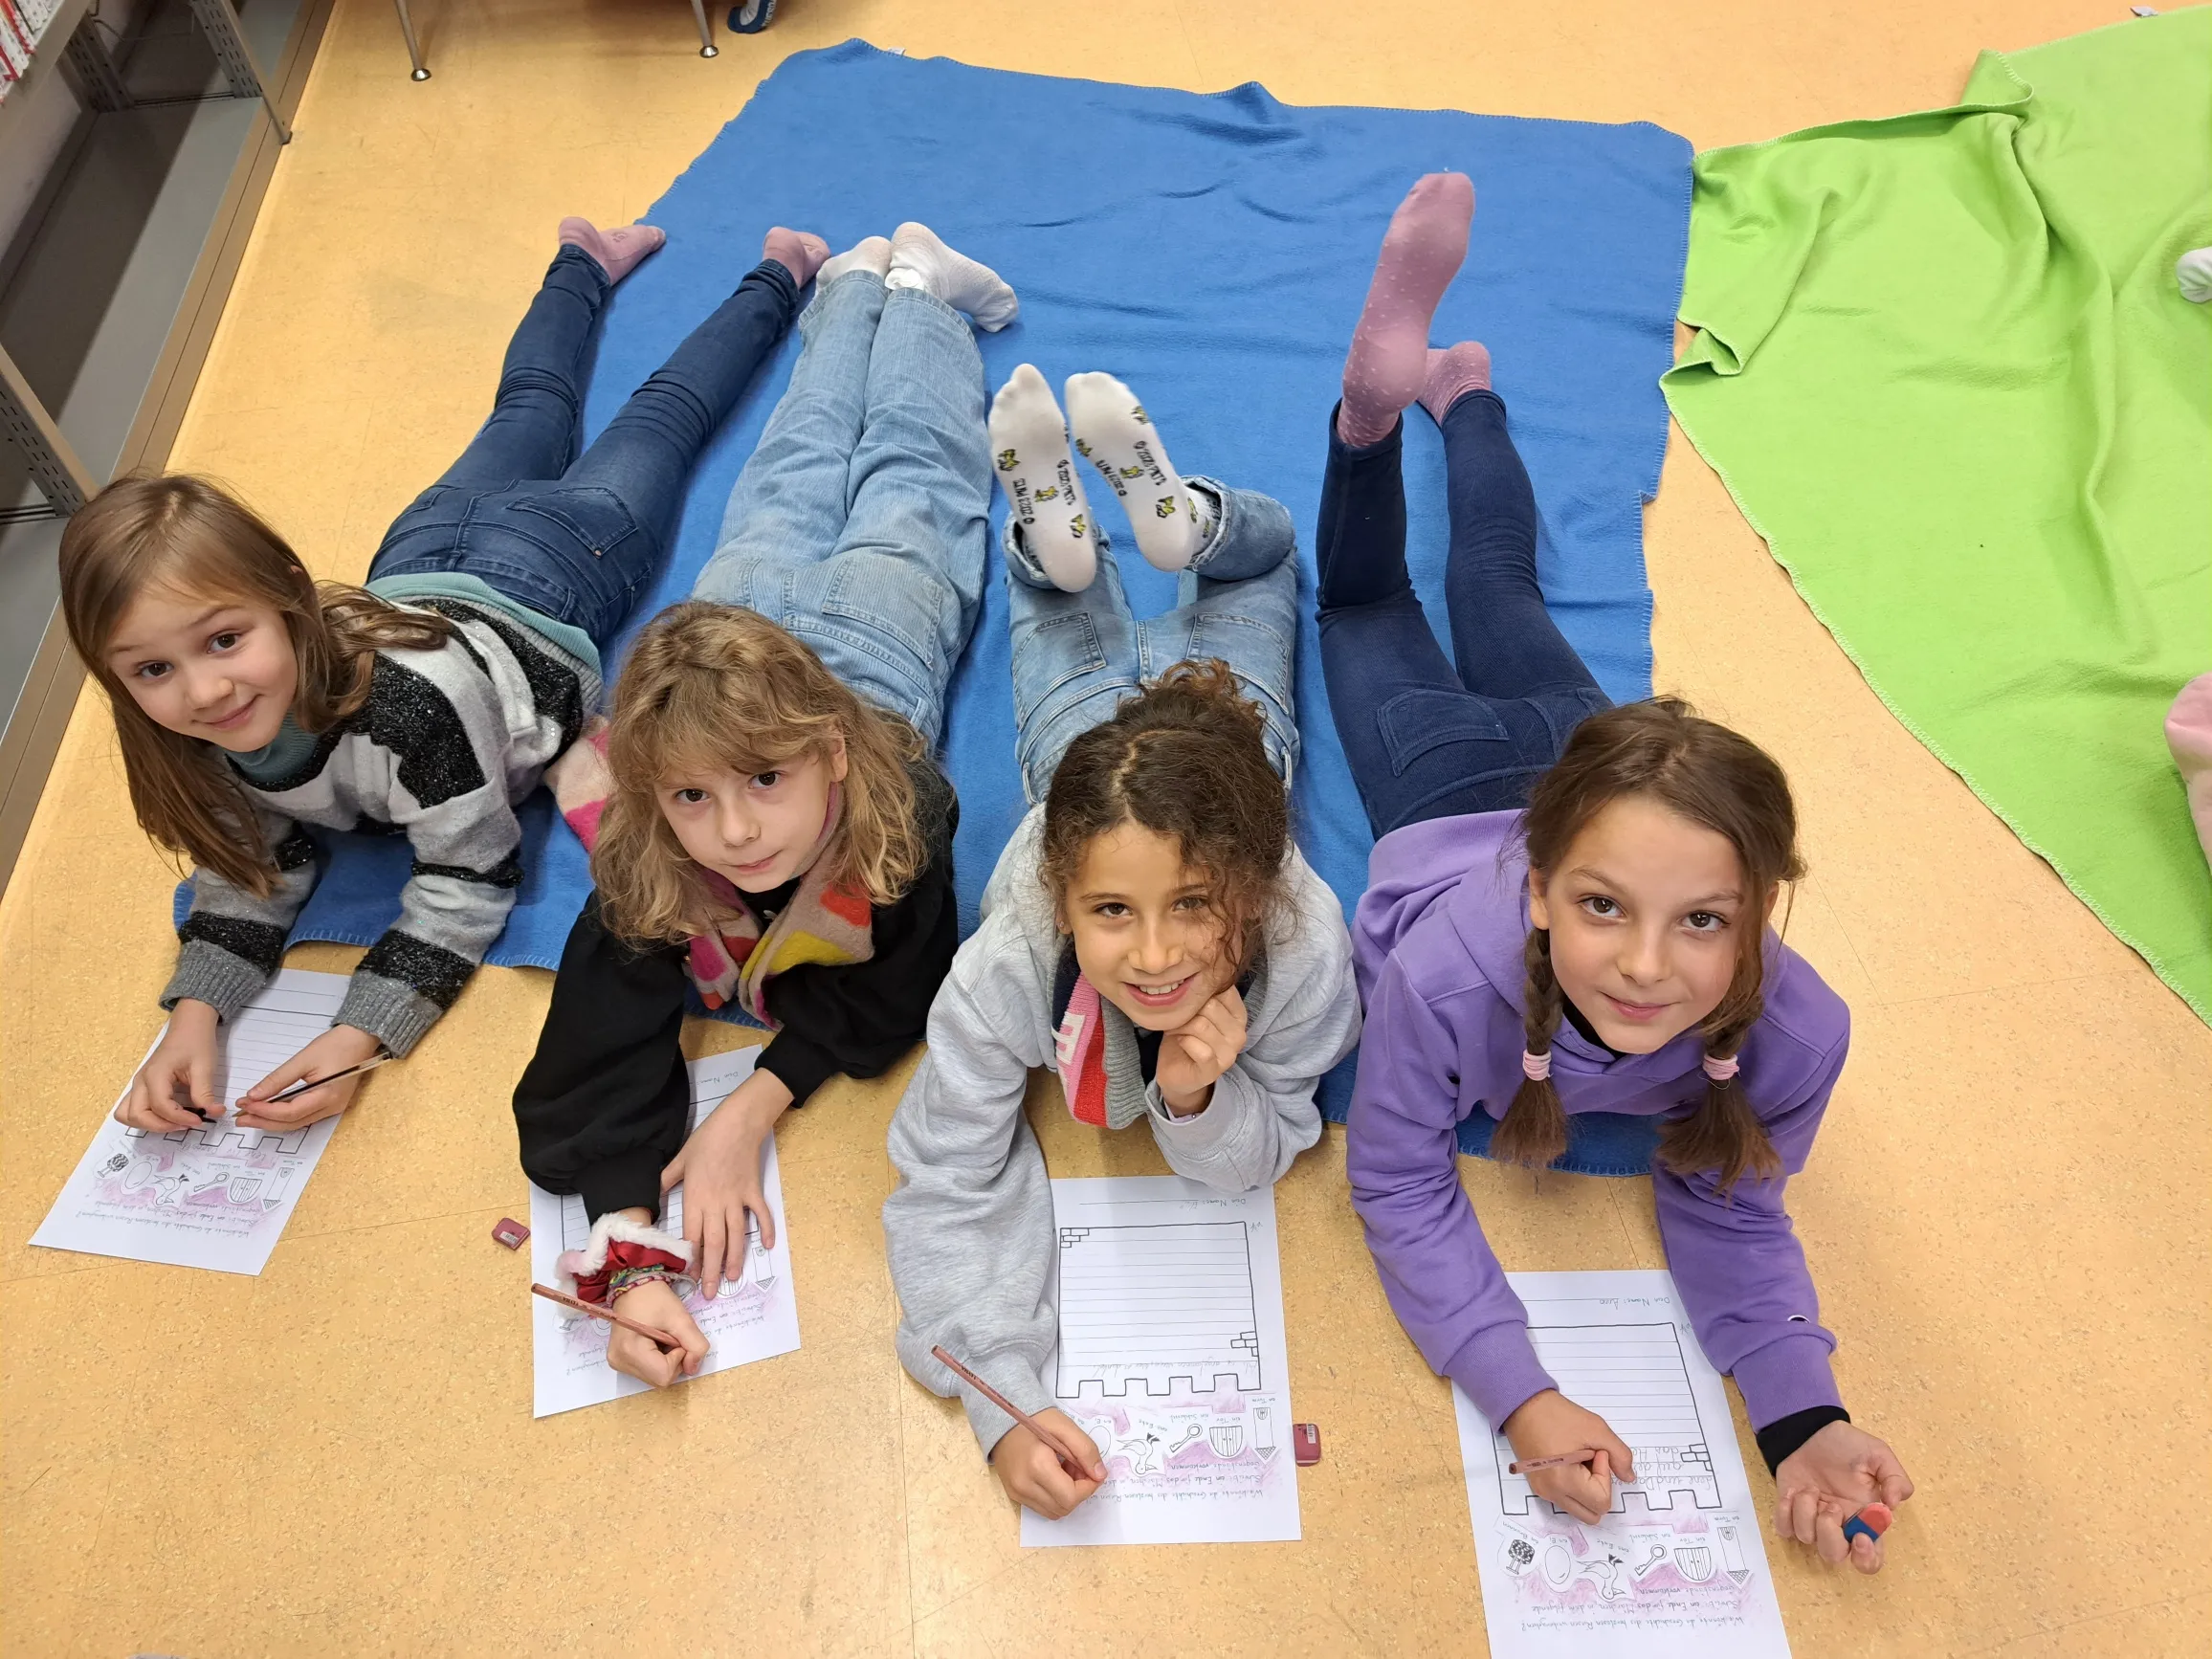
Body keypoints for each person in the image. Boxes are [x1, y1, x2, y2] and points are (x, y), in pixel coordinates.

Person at [1321, 174, 1913, 1574]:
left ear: (1759, 910)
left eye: (1703, 921)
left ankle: (1459, 392)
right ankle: (1374, 411)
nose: (1650, 967)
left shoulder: (1796, 1029)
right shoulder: (1450, 973)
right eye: (1603, 911)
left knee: (1503, 590)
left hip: (1589, 762)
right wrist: (1519, 1395)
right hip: (1453, 788)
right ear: (1541, 890)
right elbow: (1397, 1181)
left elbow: (1732, 1201)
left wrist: (1801, 1416)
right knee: (1372, 599)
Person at [64, 216, 828, 1135]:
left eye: (224, 641)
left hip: (558, 570)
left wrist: (361, 1035)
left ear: (288, 602)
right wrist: (194, 1016)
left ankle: (780, 273)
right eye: (153, 668)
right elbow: (251, 864)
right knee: (531, 402)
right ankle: (583, 256)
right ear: (115, 679)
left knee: (666, 413)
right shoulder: (189, 736)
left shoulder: (410, 711)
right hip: (425, 547)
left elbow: (469, 879)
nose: (204, 693)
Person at [512, 224, 1016, 1389]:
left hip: (874, 648)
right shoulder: (653, 854)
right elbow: (595, 1049)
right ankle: (849, 290)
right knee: (796, 460)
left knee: (917, 470)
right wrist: (630, 1260)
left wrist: (752, 1107)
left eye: (765, 790)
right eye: (691, 799)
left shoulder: (897, 819)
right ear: (651, 793)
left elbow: (898, 983)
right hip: (731, 637)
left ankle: (922, 294)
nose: (734, 832)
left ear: (833, 763)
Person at [882, 370, 1361, 1522]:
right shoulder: (1010, 961)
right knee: (1255, 564)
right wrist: (1000, 1391)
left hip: (1224, 719)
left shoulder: (1301, 951)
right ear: (1058, 887)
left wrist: (1196, 1100)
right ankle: (1163, 525)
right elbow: (944, 1168)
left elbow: (1273, 1138)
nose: (1153, 959)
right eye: (1110, 912)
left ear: (1255, 879)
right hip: (1086, 747)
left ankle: (1080, 535)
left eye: (1195, 904)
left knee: (1098, 595)